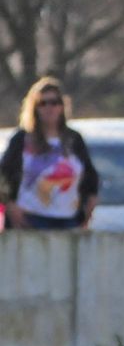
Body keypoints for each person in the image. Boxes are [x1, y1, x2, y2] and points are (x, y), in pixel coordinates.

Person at [0, 77, 99, 231]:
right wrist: (10, 206)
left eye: (54, 102)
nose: (49, 108)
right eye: (43, 103)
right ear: (34, 108)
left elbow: (90, 175)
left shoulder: (73, 139)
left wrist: (90, 202)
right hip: (30, 218)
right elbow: (3, 175)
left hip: (69, 219)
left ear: (62, 106)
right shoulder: (22, 139)